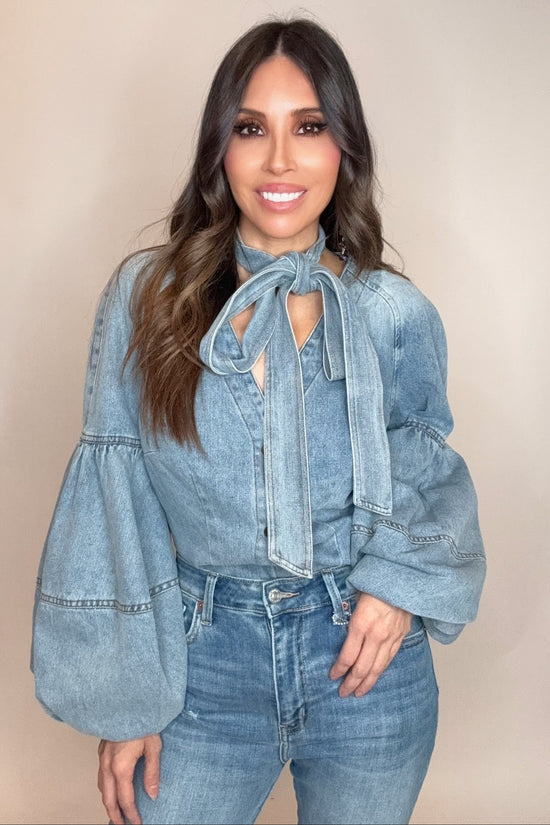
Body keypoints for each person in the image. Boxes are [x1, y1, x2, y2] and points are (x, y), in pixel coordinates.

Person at [30, 17, 486, 825]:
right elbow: (118, 493)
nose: (280, 160)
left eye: (309, 127)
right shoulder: (149, 300)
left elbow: (421, 462)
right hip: (203, 660)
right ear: (220, 150)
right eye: (251, 129)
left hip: (364, 668)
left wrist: (396, 589)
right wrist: (127, 697)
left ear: (345, 146)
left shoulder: (392, 313)